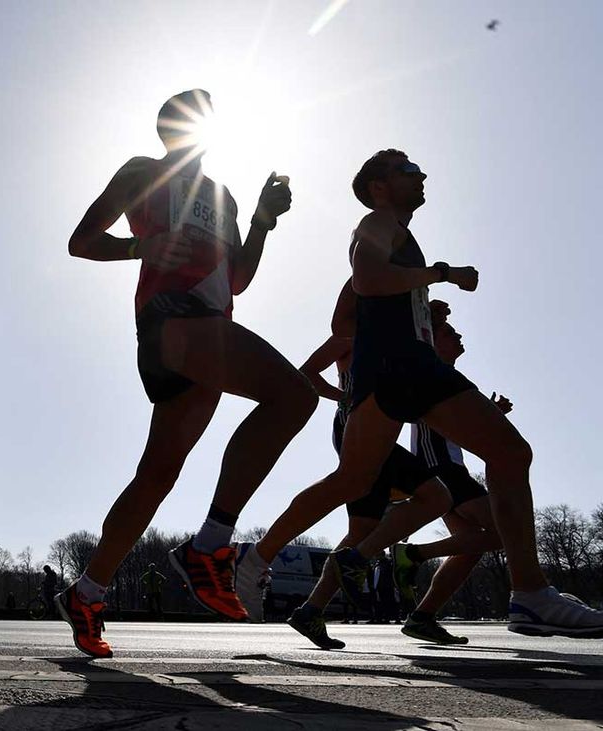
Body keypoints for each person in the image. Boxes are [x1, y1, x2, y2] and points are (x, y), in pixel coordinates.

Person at [239, 149, 603, 638]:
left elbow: (373, 292)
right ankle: (530, 592)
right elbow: (365, 281)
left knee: (351, 480)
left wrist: (425, 299)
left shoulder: (396, 232)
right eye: (407, 170)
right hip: (406, 366)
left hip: (390, 371)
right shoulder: (378, 221)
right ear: (379, 186)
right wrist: (442, 274)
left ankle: (254, 561)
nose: (422, 174)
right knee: (511, 453)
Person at [54, 89, 309, 658]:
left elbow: (238, 277)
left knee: (158, 475)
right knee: (293, 397)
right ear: (168, 128)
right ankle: (211, 545)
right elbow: (81, 242)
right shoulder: (142, 172)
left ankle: (87, 591)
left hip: (211, 325)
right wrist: (141, 246)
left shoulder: (224, 197)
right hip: (173, 320)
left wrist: (264, 221)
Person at [283, 286, 453, 650]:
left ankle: (311, 610)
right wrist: (342, 396)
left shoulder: (390, 335)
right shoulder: (351, 335)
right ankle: (354, 560)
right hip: (355, 427)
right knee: (436, 496)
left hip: (376, 429)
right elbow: (307, 372)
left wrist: (432, 319)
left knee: (362, 529)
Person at [391, 318, 507, 645]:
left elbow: (463, 426)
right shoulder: (428, 371)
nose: (458, 335)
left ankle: (422, 617)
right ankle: (413, 554)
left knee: (470, 546)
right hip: (441, 469)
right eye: (449, 332)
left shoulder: (449, 378)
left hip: (449, 469)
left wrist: (493, 413)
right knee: (502, 531)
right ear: (432, 342)